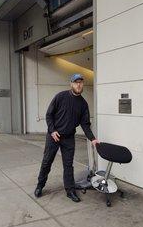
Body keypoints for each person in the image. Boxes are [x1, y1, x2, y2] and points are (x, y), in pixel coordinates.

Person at [35, 73, 99, 202]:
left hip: (69, 138)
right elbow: (49, 115)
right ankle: (40, 185)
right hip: (54, 136)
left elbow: (85, 124)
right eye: (76, 82)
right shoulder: (60, 97)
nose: (79, 84)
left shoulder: (83, 104)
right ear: (71, 84)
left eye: (81, 82)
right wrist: (52, 131)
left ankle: (70, 190)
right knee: (47, 161)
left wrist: (93, 139)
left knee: (68, 165)